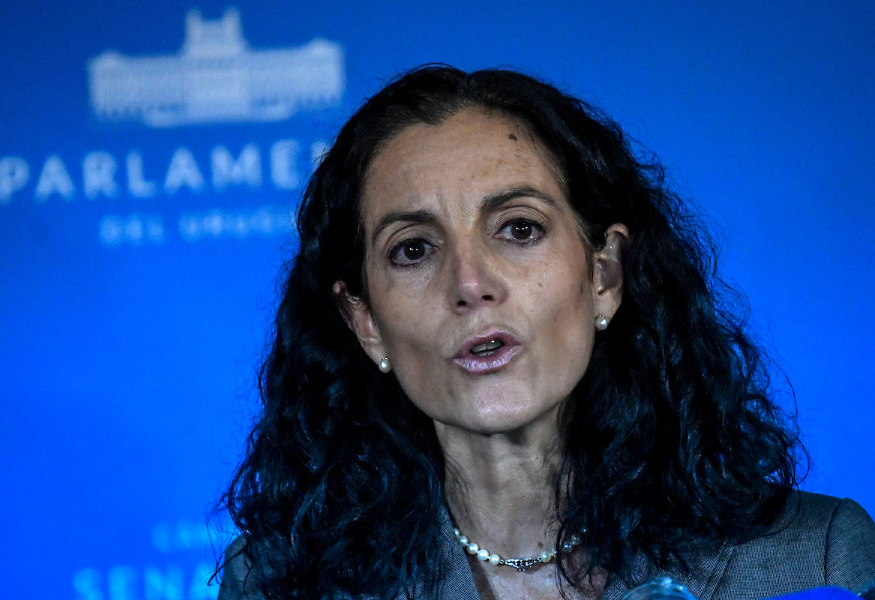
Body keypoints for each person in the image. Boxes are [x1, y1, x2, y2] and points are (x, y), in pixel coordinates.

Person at [216, 65, 875, 600]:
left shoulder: (815, 560)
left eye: (519, 229)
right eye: (414, 249)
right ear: (365, 322)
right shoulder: (281, 583)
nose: (470, 283)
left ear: (604, 276)